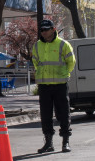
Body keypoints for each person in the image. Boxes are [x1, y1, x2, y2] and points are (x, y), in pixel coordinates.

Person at [31, 19, 75, 153]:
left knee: (63, 113)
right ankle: (48, 143)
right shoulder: (37, 45)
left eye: (46, 29)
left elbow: (71, 62)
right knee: (45, 115)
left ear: (53, 29)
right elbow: (35, 62)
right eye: (42, 30)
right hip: (44, 85)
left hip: (60, 84)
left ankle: (65, 142)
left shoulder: (63, 44)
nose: (43, 32)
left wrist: (64, 73)